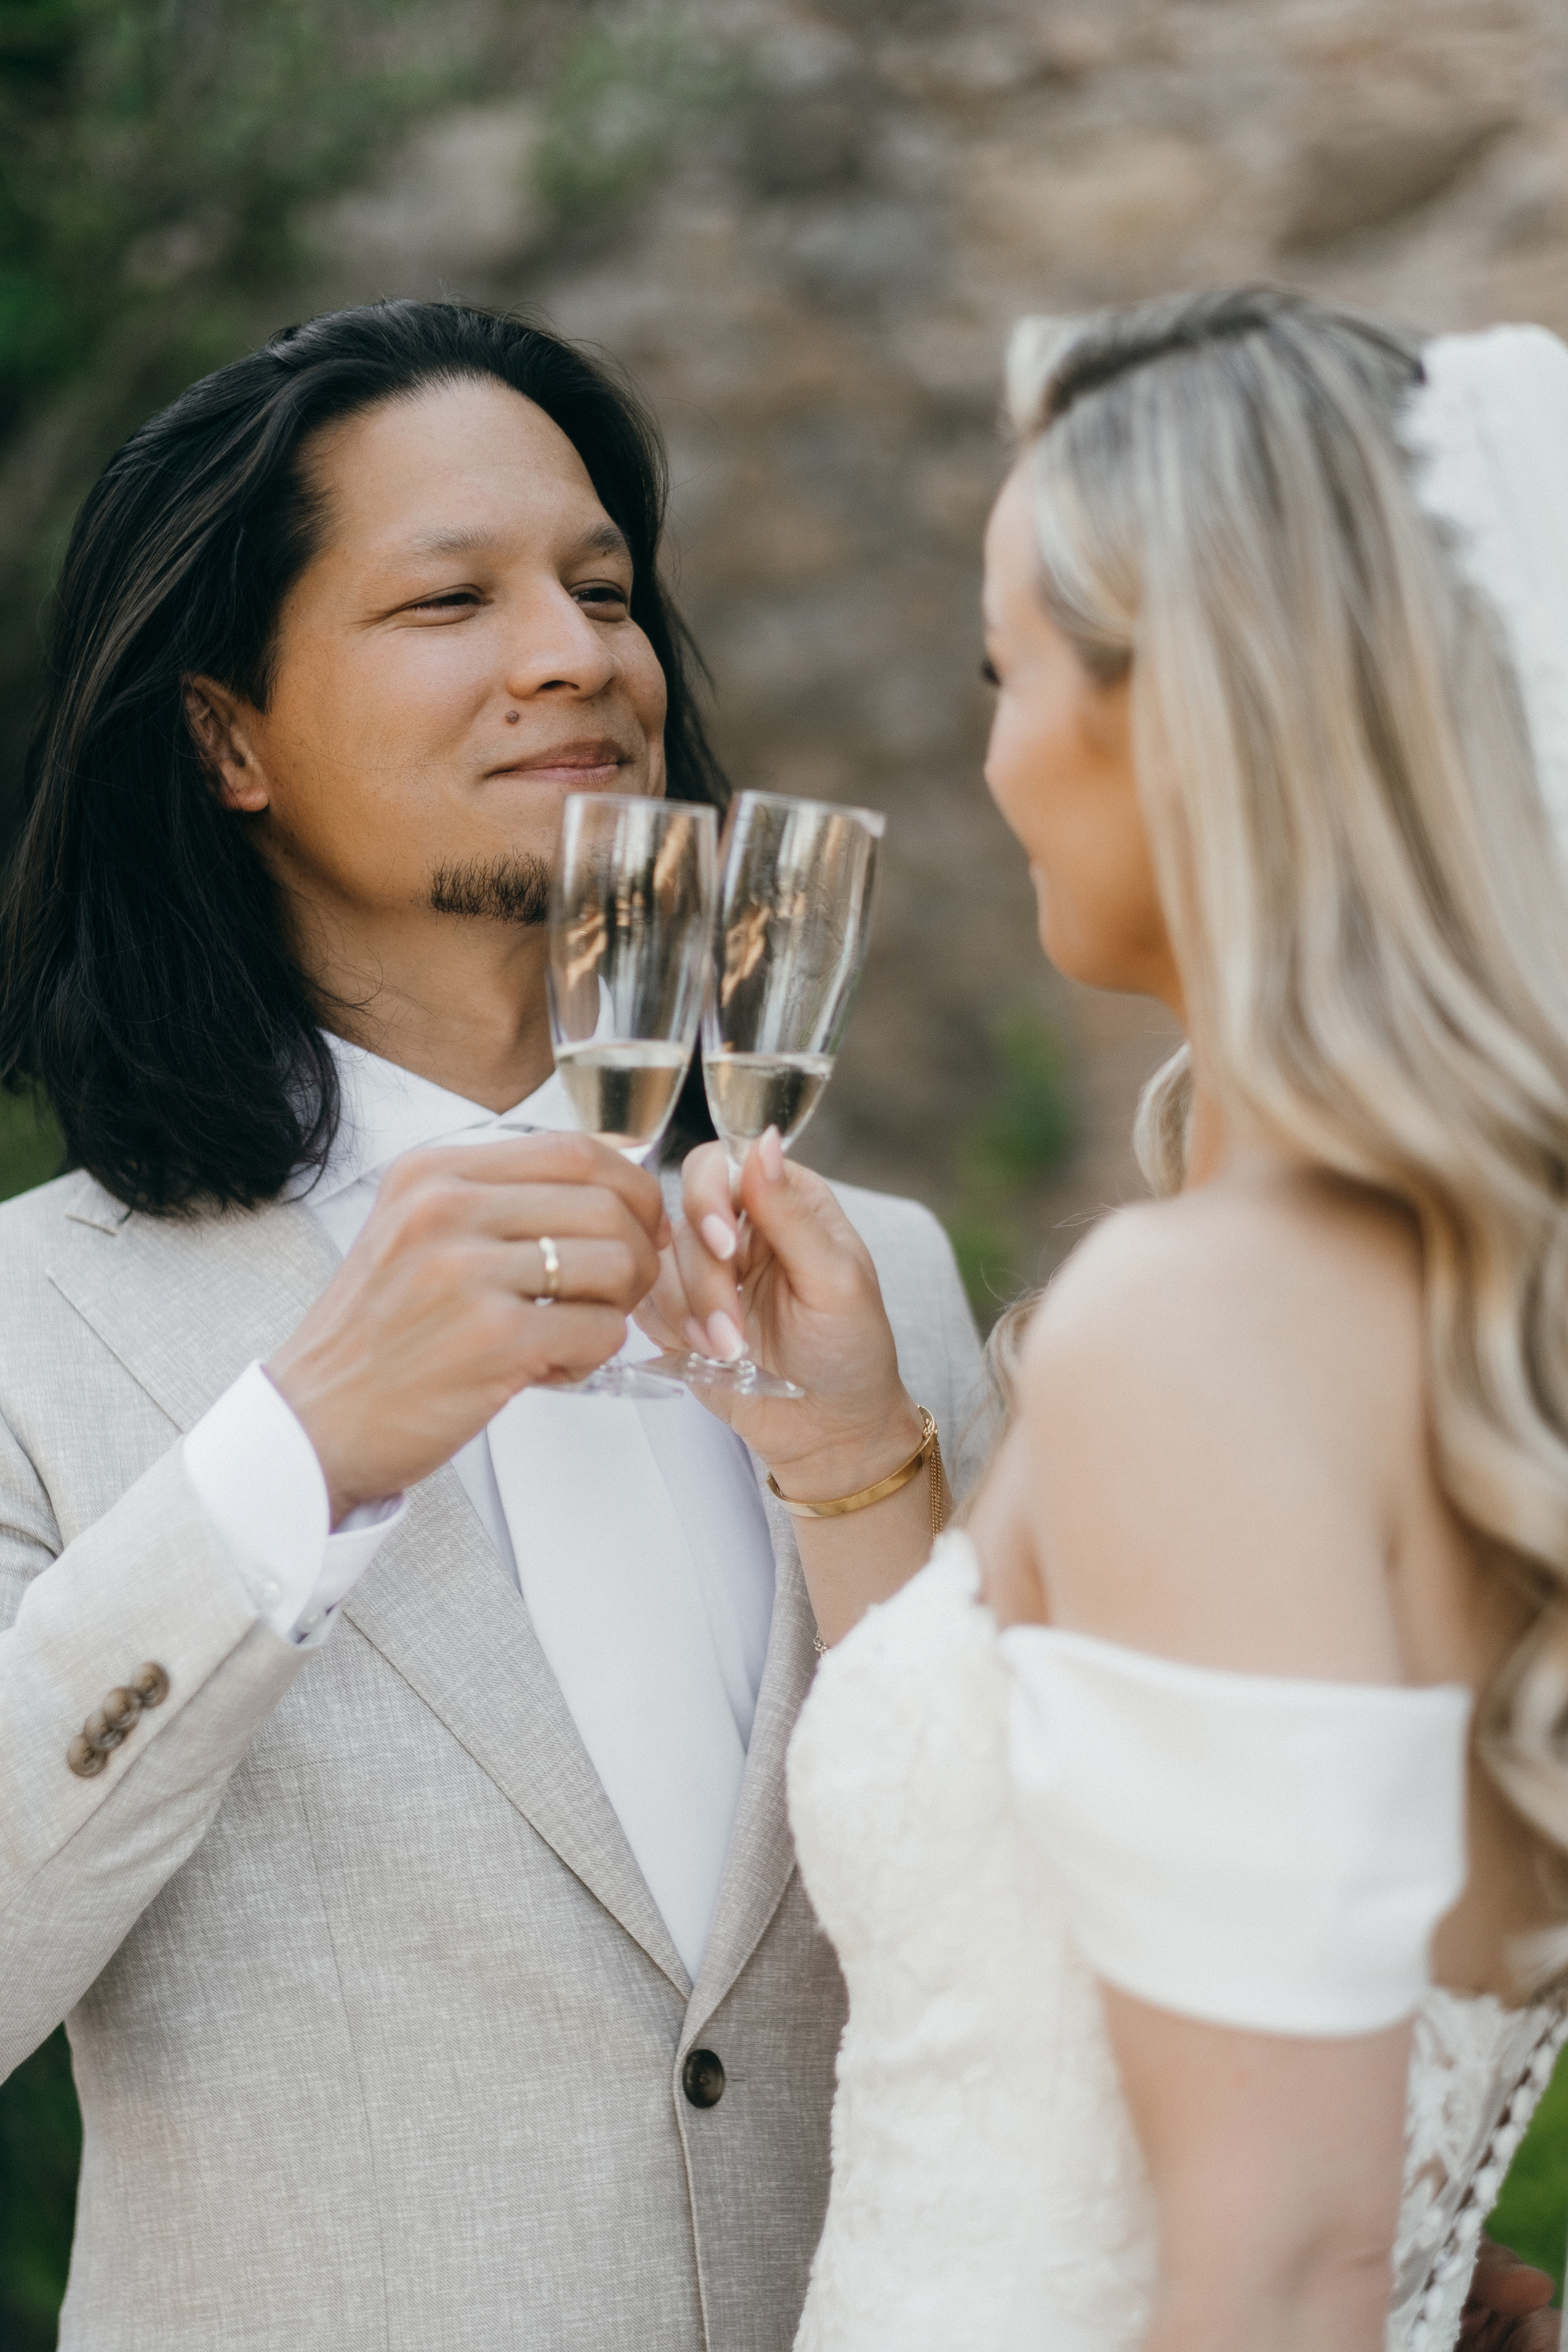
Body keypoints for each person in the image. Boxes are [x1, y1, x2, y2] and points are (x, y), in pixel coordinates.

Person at [0, 300, 985, 2350]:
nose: (579, 655)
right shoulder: (35, 1320)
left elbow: (1018, 1947)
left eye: (603, 587)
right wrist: (300, 1454)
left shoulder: (869, 1279)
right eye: (453, 596)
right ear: (226, 738)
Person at [650, 289, 1568, 2350]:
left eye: (1011, 669)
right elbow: (1082, 1882)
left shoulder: (1198, 1323)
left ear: (1196, 710)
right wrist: (854, 1462)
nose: (987, 751)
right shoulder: (1446, 1299)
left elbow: (1281, 2255)